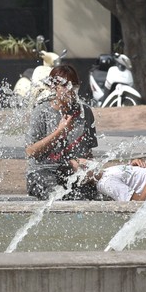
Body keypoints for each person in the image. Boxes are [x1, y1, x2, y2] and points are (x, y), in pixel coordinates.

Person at [25, 64, 98, 200]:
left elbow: (88, 153)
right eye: (65, 85)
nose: (70, 90)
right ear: (53, 87)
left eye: (74, 85)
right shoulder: (42, 111)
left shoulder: (85, 112)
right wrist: (60, 131)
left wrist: (90, 168)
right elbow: (31, 151)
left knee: (90, 196)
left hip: (72, 172)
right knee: (57, 196)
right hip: (43, 172)